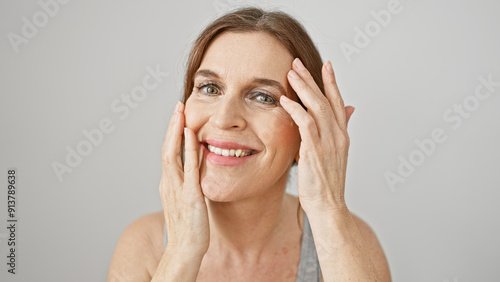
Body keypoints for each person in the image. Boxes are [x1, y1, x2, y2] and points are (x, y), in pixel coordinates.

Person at [108, 7, 391, 281]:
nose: (223, 118)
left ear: (311, 131)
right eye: (210, 88)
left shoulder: (355, 245)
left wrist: (330, 214)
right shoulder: (143, 246)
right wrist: (181, 252)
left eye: (263, 97)